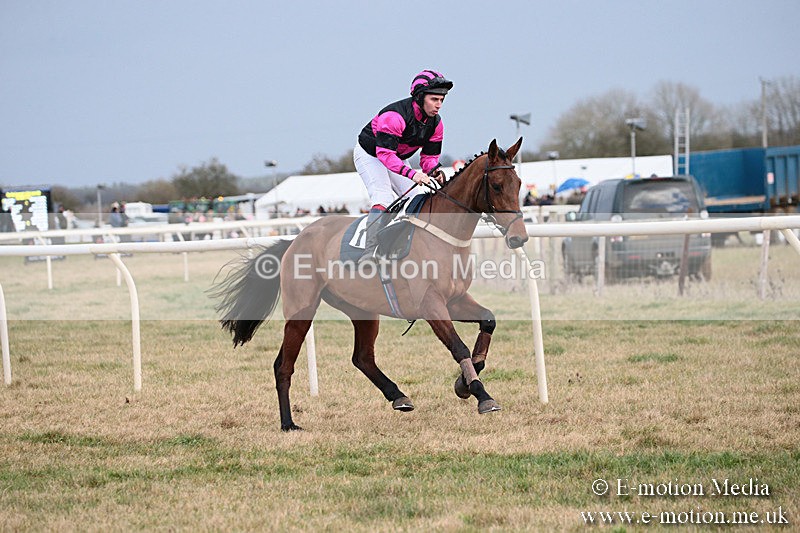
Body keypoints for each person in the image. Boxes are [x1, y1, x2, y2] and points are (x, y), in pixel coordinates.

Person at [354, 69, 452, 262]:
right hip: (371, 154)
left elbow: (428, 159)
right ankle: (370, 250)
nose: (439, 105)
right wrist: (413, 175)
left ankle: (408, 246)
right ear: (420, 96)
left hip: (396, 156)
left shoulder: (436, 124)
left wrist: (434, 171)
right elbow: (385, 155)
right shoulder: (394, 116)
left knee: (417, 198)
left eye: (442, 100)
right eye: (434, 99)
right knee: (382, 196)